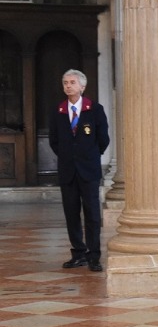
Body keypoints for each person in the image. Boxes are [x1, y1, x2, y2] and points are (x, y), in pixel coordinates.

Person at [49, 69, 110, 273]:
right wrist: (69, 157)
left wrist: (89, 156)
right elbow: (54, 141)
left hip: (89, 170)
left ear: (82, 86)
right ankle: (78, 254)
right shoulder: (59, 111)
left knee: (92, 214)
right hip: (68, 171)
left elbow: (103, 139)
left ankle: (94, 256)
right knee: (71, 213)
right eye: (65, 82)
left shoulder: (94, 109)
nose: (68, 86)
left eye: (72, 82)